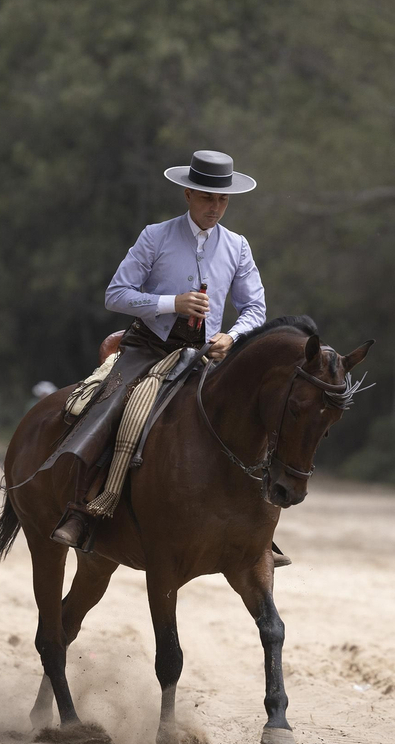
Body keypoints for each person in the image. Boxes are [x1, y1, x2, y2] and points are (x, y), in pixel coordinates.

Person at [45, 149, 273, 553]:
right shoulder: (156, 236)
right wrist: (172, 303)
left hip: (207, 356)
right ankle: (85, 508)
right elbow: (115, 294)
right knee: (111, 409)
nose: (215, 207)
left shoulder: (237, 247)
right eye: (206, 197)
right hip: (149, 349)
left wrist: (233, 337)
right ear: (187, 194)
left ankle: (252, 525)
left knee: (251, 417)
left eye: (222, 199)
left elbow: (255, 307)